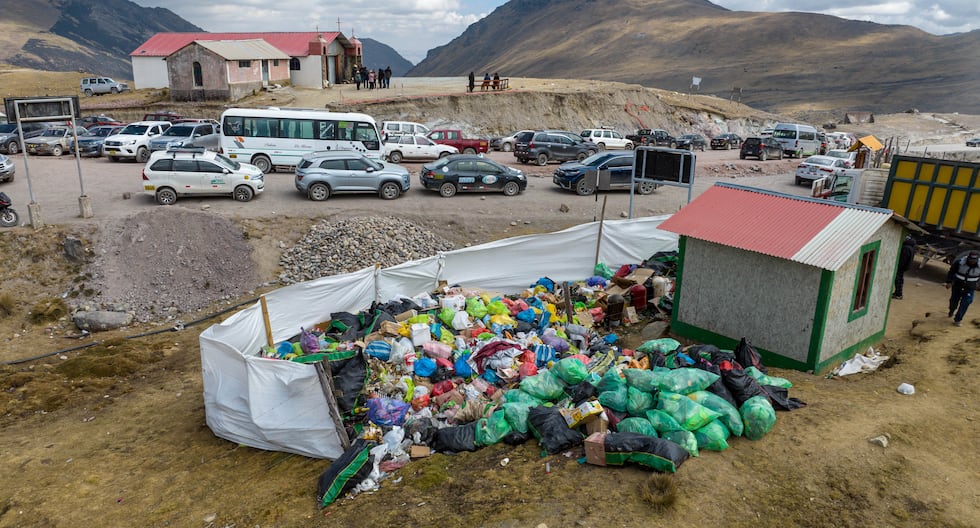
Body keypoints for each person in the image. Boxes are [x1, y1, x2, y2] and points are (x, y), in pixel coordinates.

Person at [945, 250, 980, 326]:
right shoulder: (959, 263)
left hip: (970, 287)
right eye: (970, 260)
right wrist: (949, 282)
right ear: (968, 258)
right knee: (954, 300)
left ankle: (958, 319)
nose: (972, 262)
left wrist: (978, 285)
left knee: (966, 302)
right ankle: (951, 310)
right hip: (958, 285)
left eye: (974, 260)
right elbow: (951, 272)